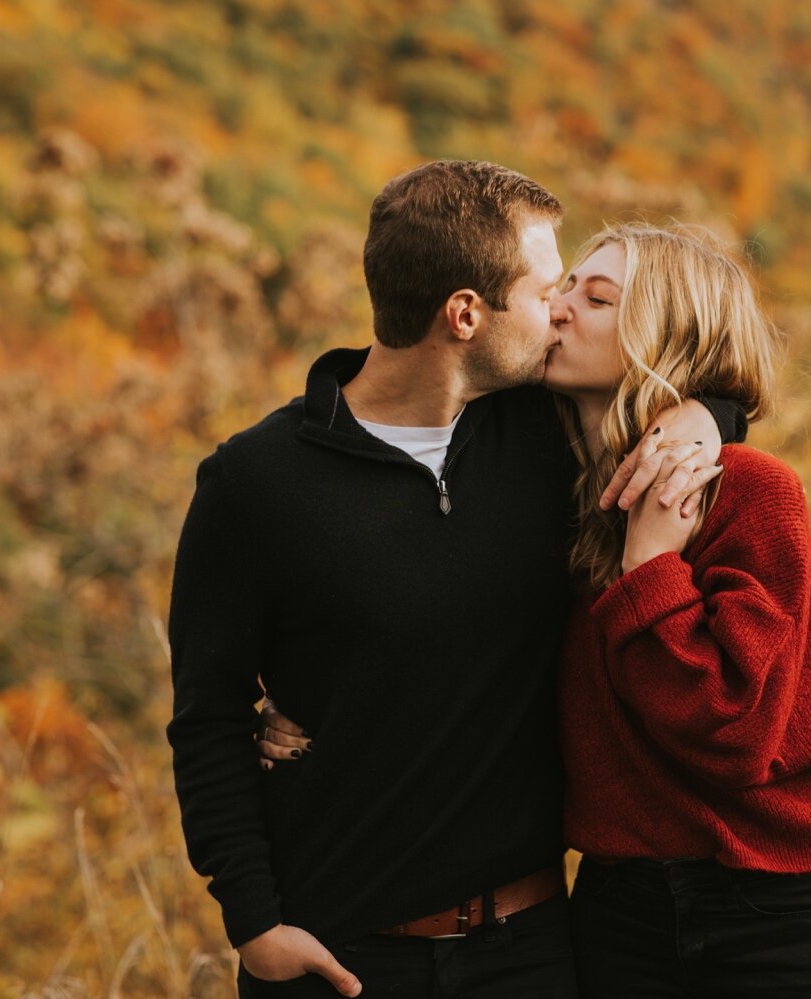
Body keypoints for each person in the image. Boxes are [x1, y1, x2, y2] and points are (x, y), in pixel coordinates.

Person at [167, 162, 742, 999]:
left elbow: (694, 377)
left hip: (530, 952)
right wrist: (255, 925)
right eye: (549, 291)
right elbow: (208, 714)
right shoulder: (255, 483)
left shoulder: (548, 436)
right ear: (466, 313)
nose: (562, 313)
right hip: (339, 959)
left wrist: (707, 418)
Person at [264, 223, 811, 998]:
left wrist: (652, 565)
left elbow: (733, 731)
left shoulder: (751, 492)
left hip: (777, 907)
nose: (558, 309)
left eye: (596, 299)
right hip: (617, 911)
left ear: (667, 335)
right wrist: (313, 696)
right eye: (562, 290)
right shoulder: (542, 481)